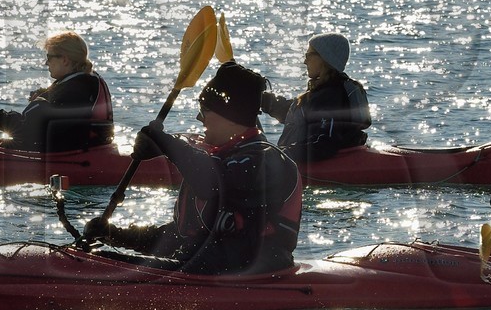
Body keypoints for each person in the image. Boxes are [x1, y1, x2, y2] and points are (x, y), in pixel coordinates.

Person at [83, 62, 302, 275]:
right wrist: (116, 235)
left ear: (231, 117)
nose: (199, 117)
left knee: (193, 254)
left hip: (257, 268)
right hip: (205, 262)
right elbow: (179, 237)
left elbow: (214, 183)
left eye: (204, 110)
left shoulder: (267, 161)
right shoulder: (217, 157)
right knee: (187, 250)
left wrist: (166, 143)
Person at [0, 32, 113, 155]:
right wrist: (47, 94)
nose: (46, 63)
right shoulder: (86, 82)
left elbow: (24, 128)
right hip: (83, 150)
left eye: (49, 57)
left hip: (67, 157)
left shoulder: (73, 90)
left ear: (65, 60)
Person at [259, 33, 372, 163]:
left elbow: (324, 143)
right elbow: (298, 116)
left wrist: (280, 155)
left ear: (324, 58)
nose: (304, 61)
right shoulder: (327, 91)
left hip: (314, 166)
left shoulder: (331, 96)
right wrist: (261, 99)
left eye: (308, 55)